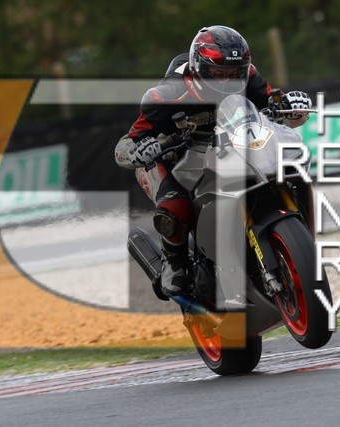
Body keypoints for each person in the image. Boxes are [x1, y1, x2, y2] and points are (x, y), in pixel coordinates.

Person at [115, 25, 312, 298]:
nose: (228, 81)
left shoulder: (249, 75)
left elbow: (273, 105)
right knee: (176, 207)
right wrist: (140, 151)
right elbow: (124, 145)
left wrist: (291, 106)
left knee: (279, 166)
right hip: (172, 156)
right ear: (199, 69)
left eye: (234, 74)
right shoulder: (166, 94)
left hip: (225, 144)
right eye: (218, 75)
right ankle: (174, 265)